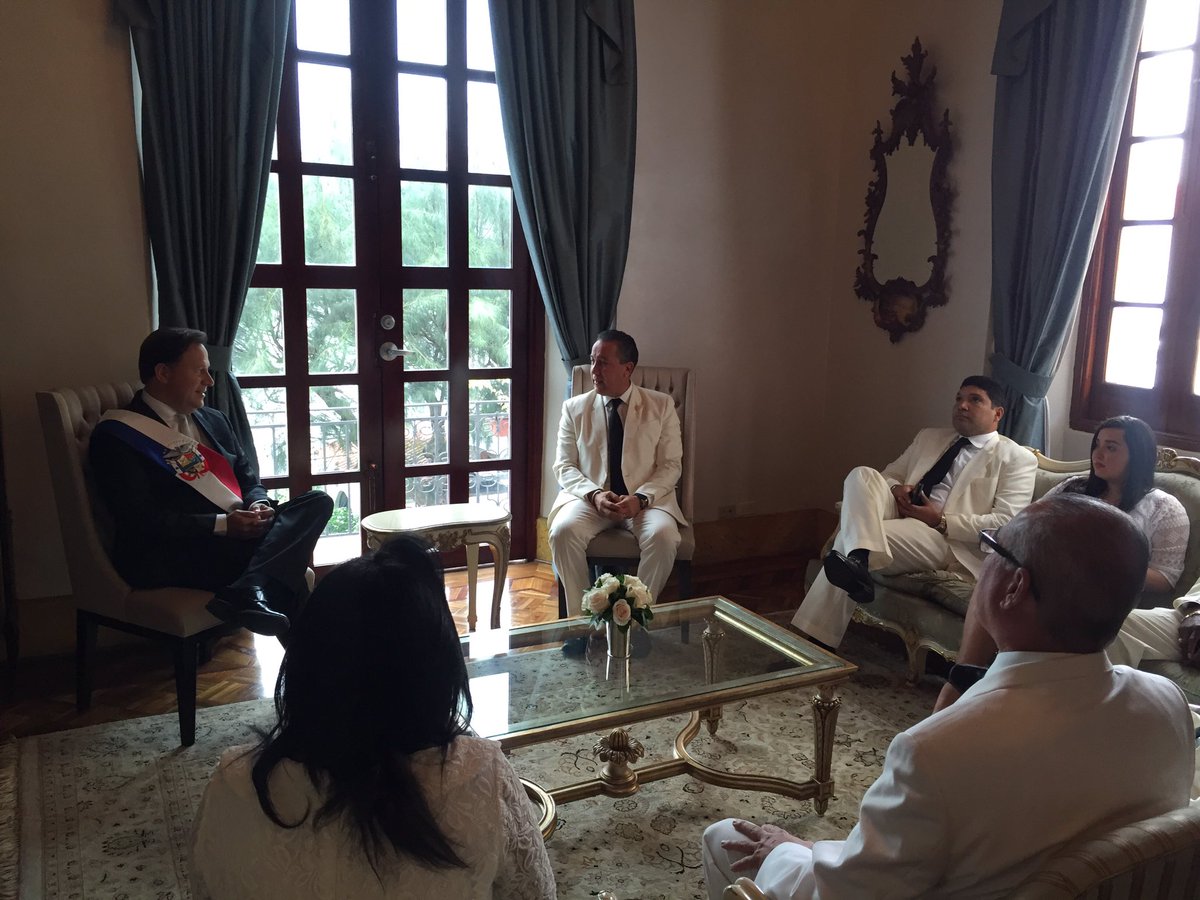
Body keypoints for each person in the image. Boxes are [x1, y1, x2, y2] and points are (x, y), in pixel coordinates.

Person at [703, 494, 1195, 900]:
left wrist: (788, 852)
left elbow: (843, 894)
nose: (982, 564)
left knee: (723, 838)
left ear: (1015, 586)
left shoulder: (935, 752)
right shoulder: (1167, 705)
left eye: (992, 548)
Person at [190, 535, 557, 899]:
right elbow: (535, 893)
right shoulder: (481, 777)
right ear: (436, 671)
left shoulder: (234, 784)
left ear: (304, 662)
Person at [89, 327, 332, 636]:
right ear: (163, 373)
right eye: (199, 371)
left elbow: (247, 477)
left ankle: (251, 589)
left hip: (231, 539)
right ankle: (297, 644)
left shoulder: (215, 419)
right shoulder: (118, 436)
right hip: (169, 551)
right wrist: (223, 525)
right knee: (283, 563)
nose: (210, 381)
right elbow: (140, 518)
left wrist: (257, 503)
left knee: (317, 502)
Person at [936, 415, 1190, 711]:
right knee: (997, 577)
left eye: (1111, 447)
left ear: (1138, 454)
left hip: (1102, 601)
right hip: (1045, 581)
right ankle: (966, 676)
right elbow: (1027, 526)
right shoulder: (1073, 487)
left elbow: (1165, 577)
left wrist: (1100, 566)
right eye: (1097, 445)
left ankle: (1014, 701)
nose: (1098, 454)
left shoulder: (1163, 507)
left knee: (1026, 602)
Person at [791, 376, 1037, 648]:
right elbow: (889, 475)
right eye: (958, 398)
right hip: (901, 514)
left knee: (850, 538)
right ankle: (857, 562)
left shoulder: (1016, 458)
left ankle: (816, 642)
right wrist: (897, 489)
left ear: (997, 413)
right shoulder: (929, 437)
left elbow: (1005, 523)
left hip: (945, 539)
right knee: (862, 475)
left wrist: (941, 520)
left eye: (975, 400)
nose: (962, 405)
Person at [548, 329, 686, 618]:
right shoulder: (574, 408)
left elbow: (671, 465)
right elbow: (564, 465)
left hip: (645, 502)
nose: (594, 370)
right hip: (591, 501)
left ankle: (634, 620)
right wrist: (594, 495)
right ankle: (583, 622)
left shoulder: (660, 406)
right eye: (592, 361)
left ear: (627, 368)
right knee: (562, 532)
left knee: (664, 537)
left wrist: (641, 498)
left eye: (603, 363)